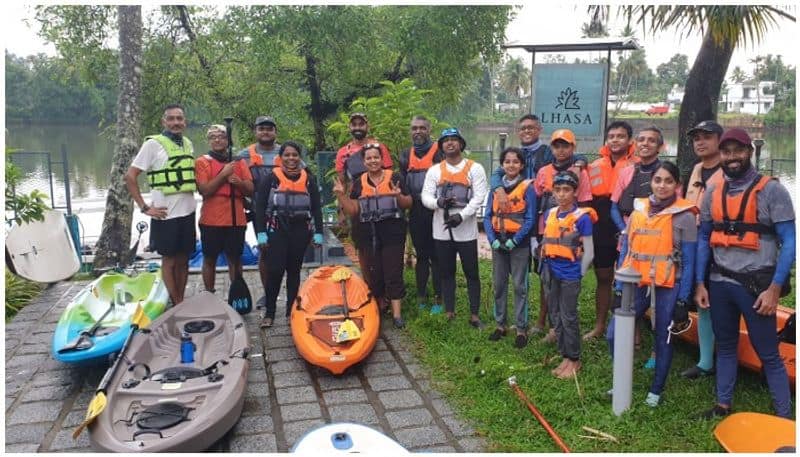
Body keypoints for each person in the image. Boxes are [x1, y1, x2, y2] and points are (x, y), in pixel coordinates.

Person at [694, 128, 794, 419]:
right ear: (721, 154)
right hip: (720, 282)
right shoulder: (713, 190)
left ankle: (784, 416)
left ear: (749, 152)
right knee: (725, 346)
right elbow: (703, 239)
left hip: (756, 286)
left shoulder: (772, 190)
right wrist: (700, 283)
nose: (732, 157)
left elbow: (790, 241)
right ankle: (722, 405)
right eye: (727, 151)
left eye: (738, 150)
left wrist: (774, 289)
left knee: (768, 353)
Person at [607, 162, 697, 407]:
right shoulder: (638, 212)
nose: (662, 185)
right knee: (614, 334)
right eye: (658, 180)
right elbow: (626, 250)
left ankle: (656, 390)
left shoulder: (685, 217)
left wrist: (683, 300)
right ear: (651, 183)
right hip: (636, 282)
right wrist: (617, 287)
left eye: (669, 181)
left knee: (663, 338)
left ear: (677, 186)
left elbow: (689, 261)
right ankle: (622, 379)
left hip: (669, 284)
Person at [125, 103, 197, 306]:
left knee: (184, 259)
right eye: (171, 118)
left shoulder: (188, 144)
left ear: (185, 121)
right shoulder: (152, 145)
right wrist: (145, 207)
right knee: (170, 260)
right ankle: (176, 303)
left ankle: (180, 299)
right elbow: (130, 177)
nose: (176, 122)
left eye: (179, 118)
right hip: (165, 215)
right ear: (163, 121)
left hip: (187, 212)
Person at [334, 144, 412, 328]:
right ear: (364, 161)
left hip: (392, 231)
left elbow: (408, 203)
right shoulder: (359, 183)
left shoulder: (395, 177)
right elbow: (353, 210)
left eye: (376, 157)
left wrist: (398, 196)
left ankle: (397, 314)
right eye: (368, 158)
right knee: (373, 271)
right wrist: (341, 196)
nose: (373, 161)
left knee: (393, 271)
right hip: (368, 233)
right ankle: (378, 304)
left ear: (382, 159)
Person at [609, 125, 668, 368]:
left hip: (656, 246)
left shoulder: (665, 175)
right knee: (625, 293)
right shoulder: (626, 171)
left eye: (651, 141)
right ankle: (628, 340)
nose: (645, 144)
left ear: (660, 146)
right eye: (641, 139)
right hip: (628, 242)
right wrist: (624, 230)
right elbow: (614, 205)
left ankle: (656, 350)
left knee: (655, 298)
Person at [421, 128, 488, 328]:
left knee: (471, 272)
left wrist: (462, 215)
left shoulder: (474, 168)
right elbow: (426, 196)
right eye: (446, 141)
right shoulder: (434, 170)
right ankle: (449, 311)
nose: (450, 143)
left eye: (454, 140)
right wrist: (438, 203)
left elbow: (479, 196)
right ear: (441, 146)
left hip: (465, 229)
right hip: (441, 229)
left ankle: (474, 314)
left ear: (461, 143)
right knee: (446, 271)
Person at [254, 141, 324, 328]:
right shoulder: (271, 179)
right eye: (287, 155)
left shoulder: (309, 179)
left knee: (294, 271)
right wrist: (261, 233)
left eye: (294, 155)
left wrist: (319, 232)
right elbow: (259, 207)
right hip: (277, 228)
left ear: (299, 157)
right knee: (275, 271)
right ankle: (270, 312)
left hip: (300, 230)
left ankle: (290, 311)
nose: (291, 158)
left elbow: (316, 208)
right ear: (281, 157)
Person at [531, 129, 592, 341]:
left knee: (566, 283)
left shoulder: (581, 172)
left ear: (573, 148)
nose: (561, 150)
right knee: (545, 278)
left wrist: (581, 241)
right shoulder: (543, 171)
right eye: (556, 146)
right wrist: (533, 236)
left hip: (571, 234)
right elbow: (535, 201)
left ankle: (560, 330)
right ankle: (544, 321)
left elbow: (583, 204)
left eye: (565, 145)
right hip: (546, 229)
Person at [584, 121, 638, 340]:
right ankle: (600, 325)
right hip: (602, 226)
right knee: (603, 276)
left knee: (632, 278)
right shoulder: (594, 165)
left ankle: (634, 331)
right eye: (612, 136)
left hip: (629, 223)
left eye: (621, 136)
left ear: (629, 140)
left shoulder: (639, 165)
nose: (616, 140)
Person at [540, 171, 596, 379]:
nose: (562, 194)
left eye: (567, 190)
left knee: (568, 316)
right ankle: (564, 354)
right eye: (558, 190)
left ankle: (574, 358)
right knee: (555, 314)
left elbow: (589, 252)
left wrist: (579, 274)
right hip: (551, 270)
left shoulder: (583, 218)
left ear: (575, 192)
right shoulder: (550, 214)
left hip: (570, 274)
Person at [680, 120, 724, 380]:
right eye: (696, 137)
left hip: (721, 246)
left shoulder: (731, 170)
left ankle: (725, 355)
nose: (700, 141)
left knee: (722, 301)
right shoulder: (696, 170)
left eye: (707, 136)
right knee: (703, 300)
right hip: (694, 243)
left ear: (720, 140)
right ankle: (706, 361)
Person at [484, 147, 536, 348]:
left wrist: (516, 240)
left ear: (522, 165)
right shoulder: (496, 189)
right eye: (507, 162)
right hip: (498, 242)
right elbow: (488, 216)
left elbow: (530, 218)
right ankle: (500, 324)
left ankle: (521, 328)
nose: (511, 165)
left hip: (519, 244)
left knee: (519, 285)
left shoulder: (527, 187)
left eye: (515, 162)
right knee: (499, 284)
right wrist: (491, 239)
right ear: (502, 164)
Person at [194, 125, 254, 293]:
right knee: (210, 257)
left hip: (235, 218)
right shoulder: (202, 162)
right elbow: (205, 190)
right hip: (211, 219)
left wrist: (239, 183)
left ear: (228, 140)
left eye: (221, 136)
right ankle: (209, 292)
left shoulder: (239, 161)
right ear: (209, 141)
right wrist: (223, 175)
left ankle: (236, 291)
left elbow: (250, 189)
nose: (217, 139)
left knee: (235, 258)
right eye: (213, 137)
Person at [398, 115, 444, 314]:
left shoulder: (439, 152)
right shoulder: (405, 154)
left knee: (437, 255)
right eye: (414, 128)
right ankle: (421, 295)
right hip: (415, 209)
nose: (417, 131)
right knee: (422, 255)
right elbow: (401, 182)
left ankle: (438, 296)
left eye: (422, 128)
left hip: (436, 209)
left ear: (429, 130)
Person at [238, 115, 282, 309]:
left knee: (284, 253)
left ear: (275, 132)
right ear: (255, 132)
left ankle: (289, 291)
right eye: (261, 128)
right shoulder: (243, 155)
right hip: (260, 212)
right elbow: (237, 182)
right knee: (265, 252)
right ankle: (268, 293)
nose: (265, 132)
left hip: (285, 211)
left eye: (269, 129)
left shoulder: (287, 152)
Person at [335, 112, 392, 183]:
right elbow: (342, 182)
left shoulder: (378, 147)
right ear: (349, 127)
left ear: (368, 126)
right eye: (354, 125)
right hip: (355, 192)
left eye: (361, 124)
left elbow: (389, 175)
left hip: (379, 191)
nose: (357, 128)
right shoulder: (343, 152)